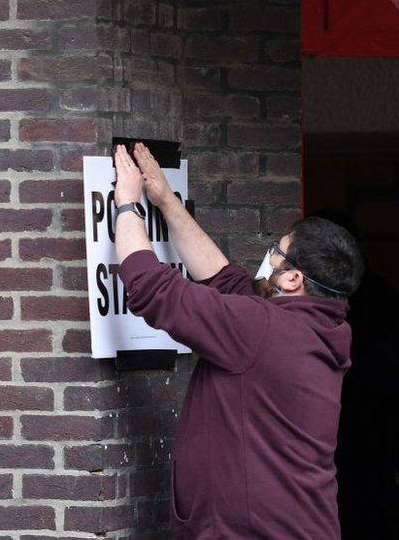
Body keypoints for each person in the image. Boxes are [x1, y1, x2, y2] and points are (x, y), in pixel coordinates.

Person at [111, 143, 364, 539]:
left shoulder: (260, 328)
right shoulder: (315, 331)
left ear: (293, 279)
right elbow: (226, 283)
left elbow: (150, 288)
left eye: (276, 252)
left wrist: (127, 206)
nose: (268, 257)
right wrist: (166, 201)